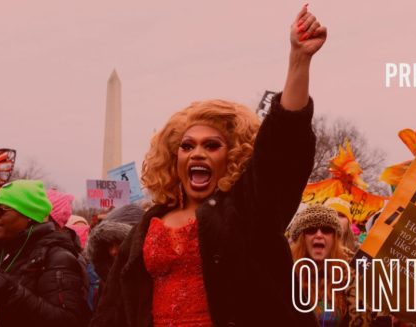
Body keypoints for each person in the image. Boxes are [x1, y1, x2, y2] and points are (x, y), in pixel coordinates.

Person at [91, 5, 325, 326]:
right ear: (174, 158)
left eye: (211, 145)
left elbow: (281, 154)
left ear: (230, 157)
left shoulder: (247, 211)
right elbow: (113, 309)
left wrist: (299, 60)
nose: (197, 153)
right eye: (187, 146)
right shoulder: (149, 223)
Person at [0, 180, 91, 327]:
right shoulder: (3, 251)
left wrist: (11, 292)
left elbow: (70, 321)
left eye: (2, 210)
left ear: (29, 215)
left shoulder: (57, 257)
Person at [289, 204, 370, 326]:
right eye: (311, 230)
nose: (319, 235)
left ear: (334, 238)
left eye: (326, 230)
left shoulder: (352, 273)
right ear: (301, 238)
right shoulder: (285, 273)